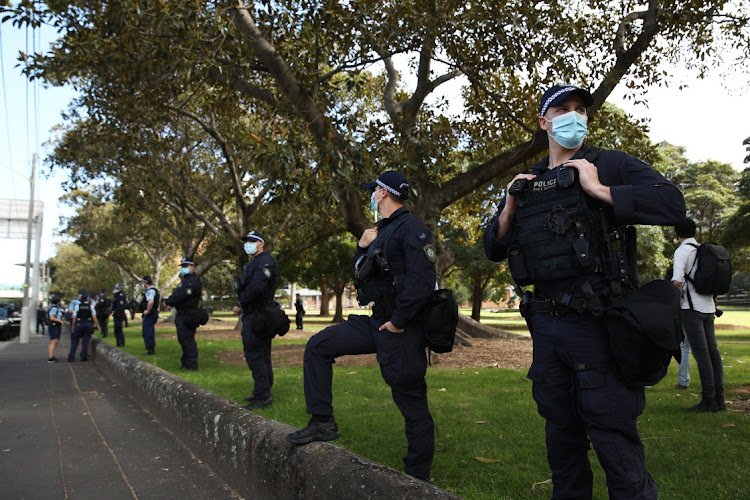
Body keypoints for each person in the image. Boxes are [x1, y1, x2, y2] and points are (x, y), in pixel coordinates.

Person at [483, 84, 685, 499]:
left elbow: (672, 205)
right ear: (544, 122)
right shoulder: (530, 180)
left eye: (581, 110)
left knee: (612, 435)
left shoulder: (608, 164)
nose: (574, 116)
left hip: (598, 326)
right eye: (563, 109)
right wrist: (507, 209)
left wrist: (600, 190)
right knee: (561, 439)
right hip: (547, 329)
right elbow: (493, 248)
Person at [286, 170, 437, 482]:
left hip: (401, 328)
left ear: (383, 192)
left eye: (374, 190)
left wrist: (398, 322)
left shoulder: (412, 230)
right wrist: (360, 246)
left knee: (410, 400)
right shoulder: (380, 231)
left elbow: (423, 284)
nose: (372, 194)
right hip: (376, 321)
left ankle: (418, 476)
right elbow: (364, 274)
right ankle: (322, 421)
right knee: (318, 346)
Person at [671, 218, 725, 412]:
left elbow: (677, 282)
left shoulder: (682, 251)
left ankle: (708, 400)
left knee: (701, 355)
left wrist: (675, 307)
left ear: (676, 235)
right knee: (713, 353)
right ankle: (719, 399)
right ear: (695, 232)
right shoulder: (704, 250)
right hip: (709, 308)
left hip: (691, 309)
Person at [232, 230, 278, 410]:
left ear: (261, 244)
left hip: (258, 314)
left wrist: (241, 304)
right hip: (256, 312)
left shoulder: (264, 262)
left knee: (255, 353)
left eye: (252, 241)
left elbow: (257, 287)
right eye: (246, 241)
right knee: (262, 353)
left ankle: (264, 396)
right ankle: (262, 391)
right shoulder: (254, 262)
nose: (248, 244)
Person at [164, 258, 203, 371]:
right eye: (182, 266)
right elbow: (177, 294)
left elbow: (181, 295)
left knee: (187, 339)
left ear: (192, 266)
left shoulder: (192, 281)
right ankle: (185, 363)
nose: (184, 268)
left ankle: (191, 364)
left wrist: (169, 301)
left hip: (189, 314)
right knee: (183, 339)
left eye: (186, 266)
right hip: (182, 314)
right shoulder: (185, 281)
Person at [68, 290, 99, 362]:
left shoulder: (77, 306)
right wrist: (97, 325)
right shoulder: (90, 306)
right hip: (88, 324)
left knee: (75, 341)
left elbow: (74, 317)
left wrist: (73, 325)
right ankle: (83, 356)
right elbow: (94, 317)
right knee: (85, 341)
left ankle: (71, 357)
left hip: (79, 324)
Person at [140, 276, 160, 355]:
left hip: (150, 314)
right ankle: (150, 347)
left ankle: (150, 349)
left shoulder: (150, 291)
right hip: (152, 314)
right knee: (148, 330)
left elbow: (150, 301)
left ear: (145, 282)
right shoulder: (154, 290)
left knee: (147, 331)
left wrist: (147, 310)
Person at [47, 295, 65, 363]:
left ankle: (52, 356)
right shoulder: (54, 308)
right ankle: (50, 358)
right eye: (61, 300)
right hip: (54, 326)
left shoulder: (58, 308)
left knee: (55, 341)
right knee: (54, 341)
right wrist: (59, 321)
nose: (62, 302)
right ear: (58, 302)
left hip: (56, 326)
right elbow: (52, 317)